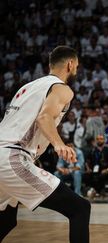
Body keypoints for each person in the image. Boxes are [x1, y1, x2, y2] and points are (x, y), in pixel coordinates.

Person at [0, 46, 90, 243]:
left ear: (50, 65)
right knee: (80, 208)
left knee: (6, 219)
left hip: (4, 153)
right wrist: (59, 144)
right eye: (76, 66)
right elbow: (44, 117)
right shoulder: (62, 88)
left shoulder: (26, 88)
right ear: (70, 64)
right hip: (11, 158)